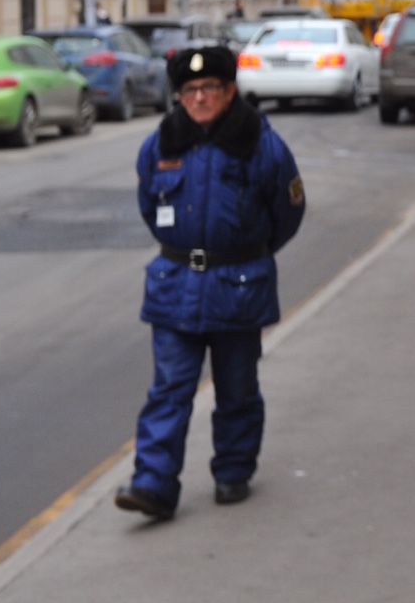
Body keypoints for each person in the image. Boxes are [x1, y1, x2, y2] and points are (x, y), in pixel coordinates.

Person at [114, 46, 305, 522]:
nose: (200, 98)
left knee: (237, 387)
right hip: (175, 285)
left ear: (229, 91)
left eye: (210, 88)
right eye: (190, 90)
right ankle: (153, 485)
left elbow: (289, 210)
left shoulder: (260, 143)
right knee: (169, 389)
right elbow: (148, 205)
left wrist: (246, 254)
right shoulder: (162, 144)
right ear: (179, 96)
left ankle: (233, 471)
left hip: (238, 285)